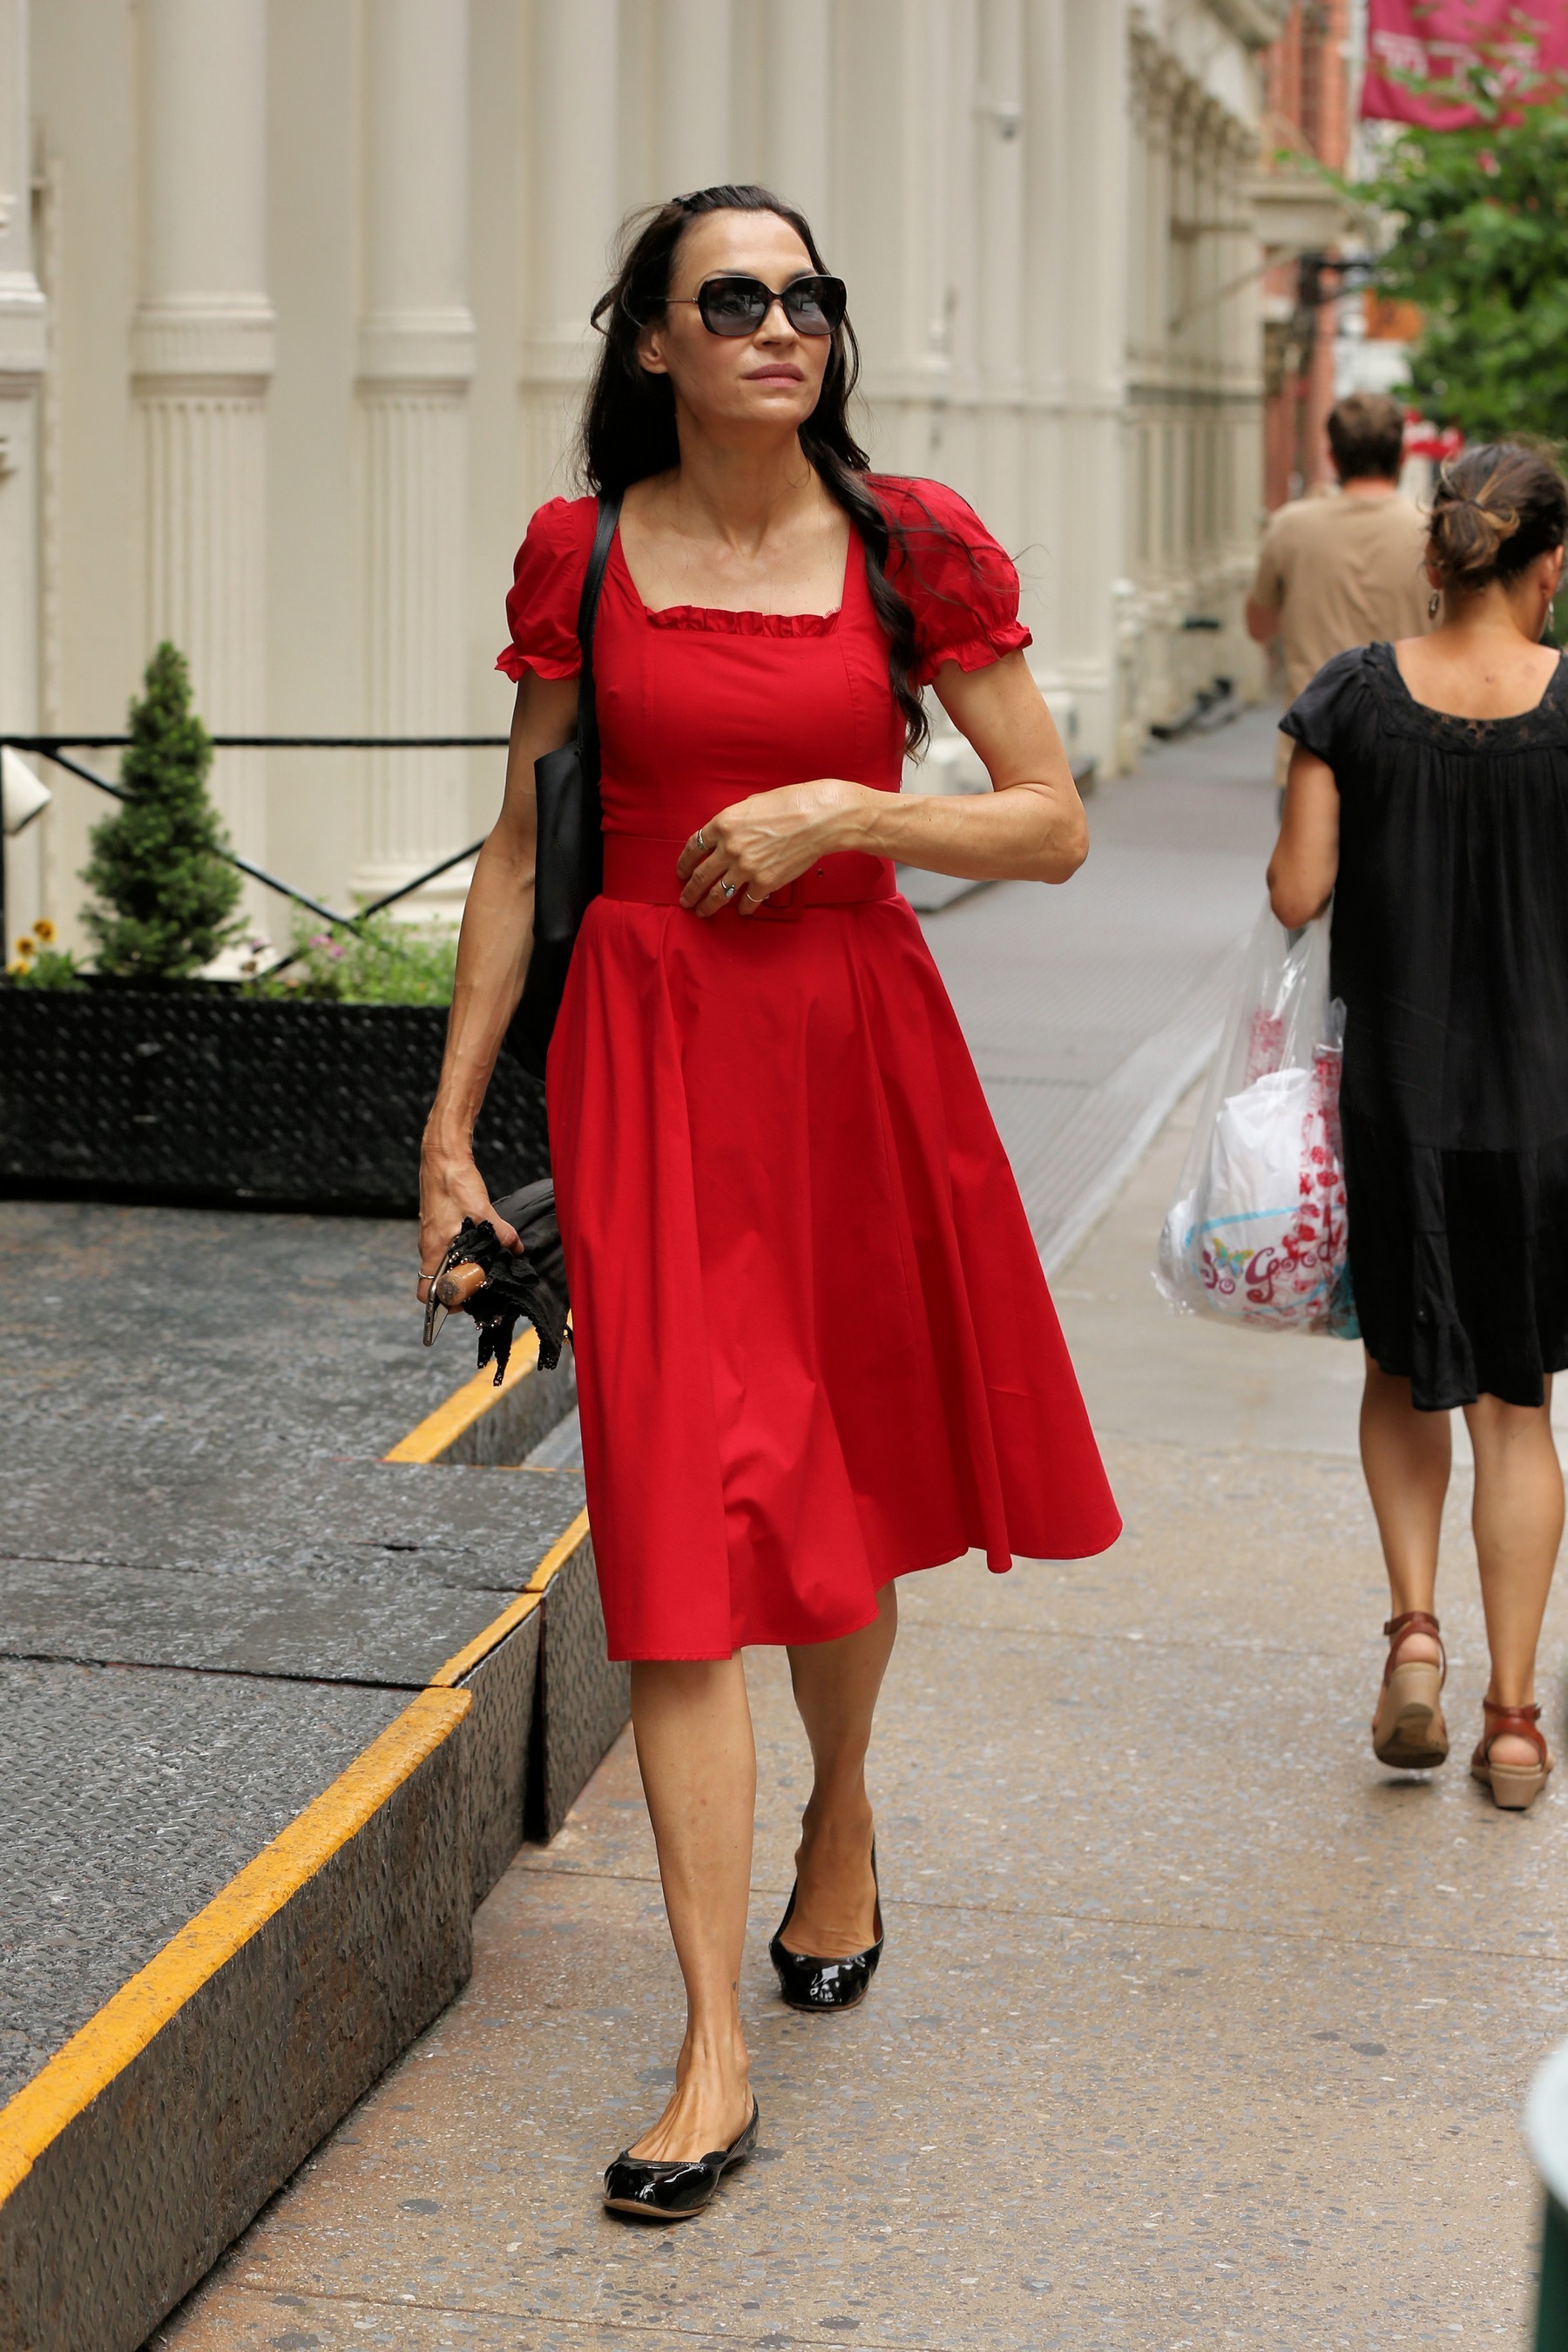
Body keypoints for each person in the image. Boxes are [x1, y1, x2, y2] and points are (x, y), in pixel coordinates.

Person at [417, 184, 1120, 2217]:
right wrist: (450, 1133)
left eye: (807, 293)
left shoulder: (912, 544)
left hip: (847, 1050)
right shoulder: (582, 553)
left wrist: (852, 809)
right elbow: (517, 852)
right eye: (732, 299)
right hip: (648, 1062)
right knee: (681, 1518)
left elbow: (1051, 821)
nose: (781, 324)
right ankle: (712, 2046)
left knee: (832, 1485)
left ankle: (844, 1812)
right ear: (650, 339)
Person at [1267, 441, 1568, 1814]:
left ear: (1438, 557)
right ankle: (1512, 1723)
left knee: (1401, 1372)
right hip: (1544, 1109)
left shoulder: (1351, 697)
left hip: (1394, 1094)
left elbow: (1295, 893)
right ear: (1549, 565)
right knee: (1518, 1405)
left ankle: (1414, 1638)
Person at [1247, 391, 1436, 787]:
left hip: (1313, 746)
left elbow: (1258, 626)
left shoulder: (1291, 526)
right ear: (1402, 456)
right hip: (1409, 747)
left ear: (1333, 457)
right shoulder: (1433, 532)